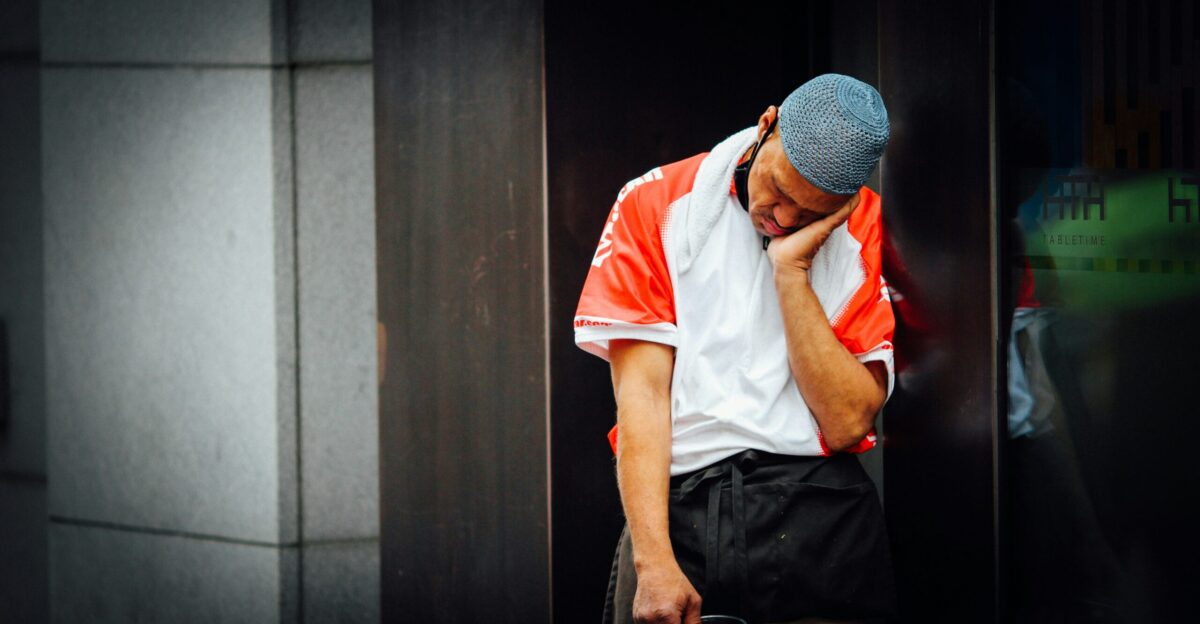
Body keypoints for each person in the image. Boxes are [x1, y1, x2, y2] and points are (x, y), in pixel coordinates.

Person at [574, 74, 897, 624]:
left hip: (822, 515)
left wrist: (791, 271)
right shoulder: (655, 202)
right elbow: (642, 397)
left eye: (812, 212)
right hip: (680, 507)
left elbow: (846, 422)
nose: (785, 218)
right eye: (783, 191)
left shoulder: (863, 221)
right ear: (766, 125)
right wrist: (653, 564)